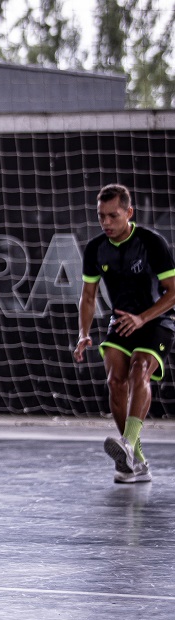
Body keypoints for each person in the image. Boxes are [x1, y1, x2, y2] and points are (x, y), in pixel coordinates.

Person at [74, 183, 175, 484]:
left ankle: (128, 445)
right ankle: (137, 461)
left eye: (113, 216)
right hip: (120, 322)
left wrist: (143, 318)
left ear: (129, 213)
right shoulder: (96, 248)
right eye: (101, 216)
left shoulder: (151, 243)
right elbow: (88, 296)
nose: (106, 223)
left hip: (156, 320)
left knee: (139, 369)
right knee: (115, 381)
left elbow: (173, 292)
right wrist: (83, 333)